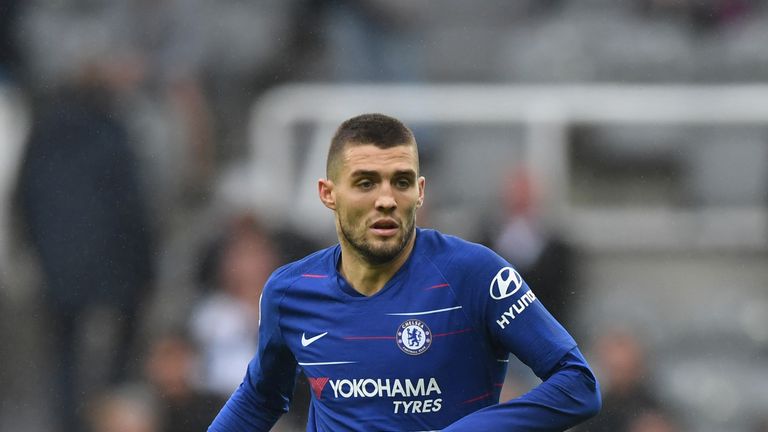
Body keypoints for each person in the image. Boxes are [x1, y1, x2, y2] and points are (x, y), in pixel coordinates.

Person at [208, 113, 600, 431]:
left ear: (421, 191)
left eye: (401, 182)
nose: (386, 200)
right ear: (328, 193)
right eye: (365, 183)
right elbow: (261, 397)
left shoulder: (473, 273)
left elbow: (578, 384)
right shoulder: (290, 291)